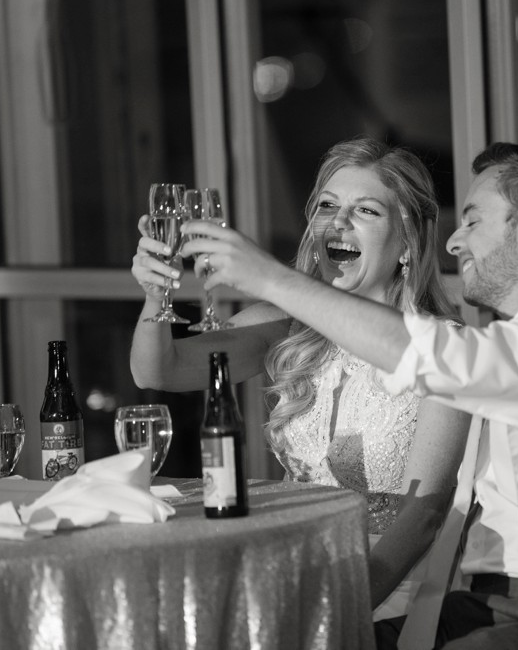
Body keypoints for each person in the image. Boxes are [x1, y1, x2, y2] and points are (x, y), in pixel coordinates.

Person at [180, 140, 518, 649]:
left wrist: (269, 277)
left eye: (474, 221)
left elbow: (431, 354)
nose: (455, 243)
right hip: (487, 609)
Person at [129, 138, 472, 626]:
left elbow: (424, 516)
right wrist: (153, 295)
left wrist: (333, 610)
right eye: (328, 206)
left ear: (409, 241)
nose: (338, 223)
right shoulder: (286, 327)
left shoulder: (441, 348)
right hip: (289, 574)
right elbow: (158, 371)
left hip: (389, 599)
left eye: (366, 210)